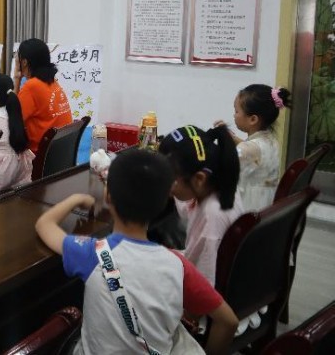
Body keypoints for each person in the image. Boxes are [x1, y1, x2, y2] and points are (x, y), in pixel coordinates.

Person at [35, 149, 238, 355]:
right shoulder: (178, 265)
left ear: (108, 196)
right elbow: (228, 321)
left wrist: (76, 199)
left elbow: (44, 224)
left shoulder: (91, 253)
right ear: (164, 201)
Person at [159, 125, 244, 284]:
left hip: (207, 291)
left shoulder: (212, 217)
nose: (167, 188)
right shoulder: (220, 189)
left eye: (170, 179)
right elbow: (185, 207)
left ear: (199, 179)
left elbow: (205, 287)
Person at [214, 84, 291, 211]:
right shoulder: (270, 141)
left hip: (248, 211)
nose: (234, 115)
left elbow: (221, 170)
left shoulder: (247, 150)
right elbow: (252, 151)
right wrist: (232, 138)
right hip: (266, 206)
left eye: (237, 111)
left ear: (253, 119)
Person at [14, 38, 72, 153]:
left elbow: (11, 121)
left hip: (40, 155)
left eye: (17, 56)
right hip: (61, 153)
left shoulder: (31, 86)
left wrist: (16, 79)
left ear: (24, 62)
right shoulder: (52, 81)